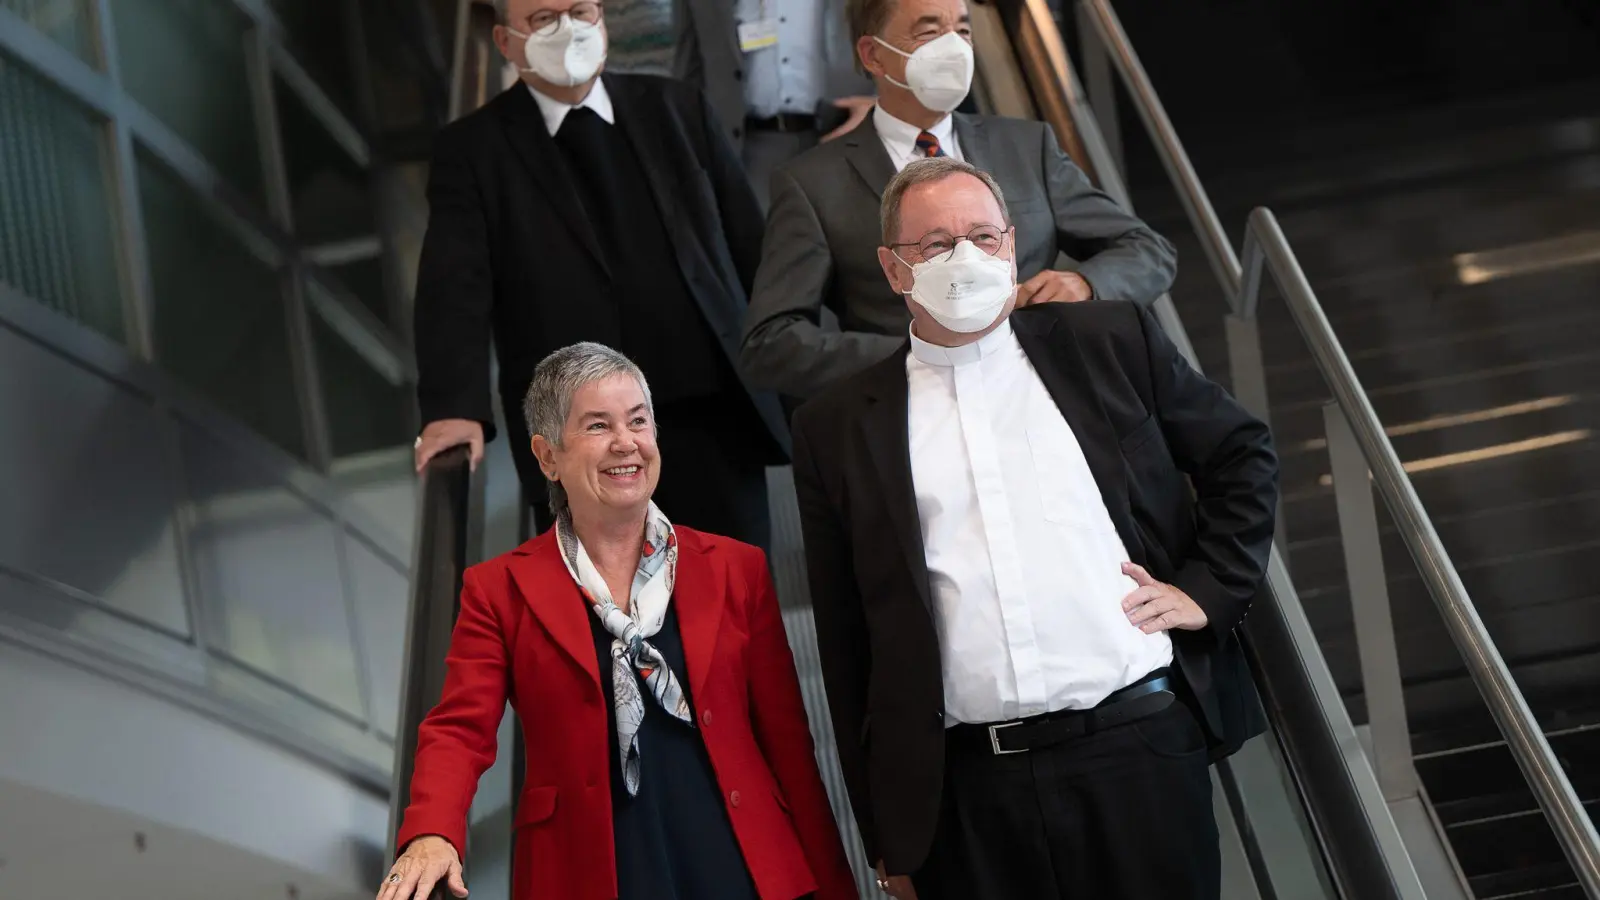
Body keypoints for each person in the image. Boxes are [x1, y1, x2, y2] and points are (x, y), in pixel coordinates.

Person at [789, 158, 1278, 899]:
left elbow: (1241, 453)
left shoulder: (1108, 341)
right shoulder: (836, 427)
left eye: (984, 236)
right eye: (937, 245)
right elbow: (847, 641)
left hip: (1136, 753)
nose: (966, 258)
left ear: (1013, 246)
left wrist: (1207, 589)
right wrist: (885, 835)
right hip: (966, 796)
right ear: (894, 271)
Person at [385, 343, 857, 900]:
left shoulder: (736, 568)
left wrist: (834, 884)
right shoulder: (500, 590)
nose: (625, 443)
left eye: (638, 421)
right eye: (597, 425)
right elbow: (459, 729)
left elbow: (789, 747)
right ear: (547, 456)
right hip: (591, 869)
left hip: (738, 857)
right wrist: (433, 832)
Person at [411, 0, 787, 550]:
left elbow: (754, 249)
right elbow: (454, 285)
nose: (569, 30)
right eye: (543, 19)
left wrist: (796, 371)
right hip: (582, 443)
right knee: (617, 620)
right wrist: (452, 409)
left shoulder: (676, 107)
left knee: (739, 604)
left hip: (713, 418)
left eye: (581, 11)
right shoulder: (473, 150)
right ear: (504, 42)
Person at [740, 0, 1177, 401]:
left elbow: (1148, 250)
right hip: (912, 417)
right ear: (873, 55)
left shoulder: (1026, 146)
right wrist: (916, 355)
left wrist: (1085, 285)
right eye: (929, 32)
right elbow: (771, 343)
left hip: (1050, 396)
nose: (953, 47)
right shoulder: (812, 183)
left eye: (963, 31)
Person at [673, 0, 877, 207]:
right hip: (744, 152)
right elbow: (689, 73)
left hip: (846, 134)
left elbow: (902, 37)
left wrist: (881, 106)